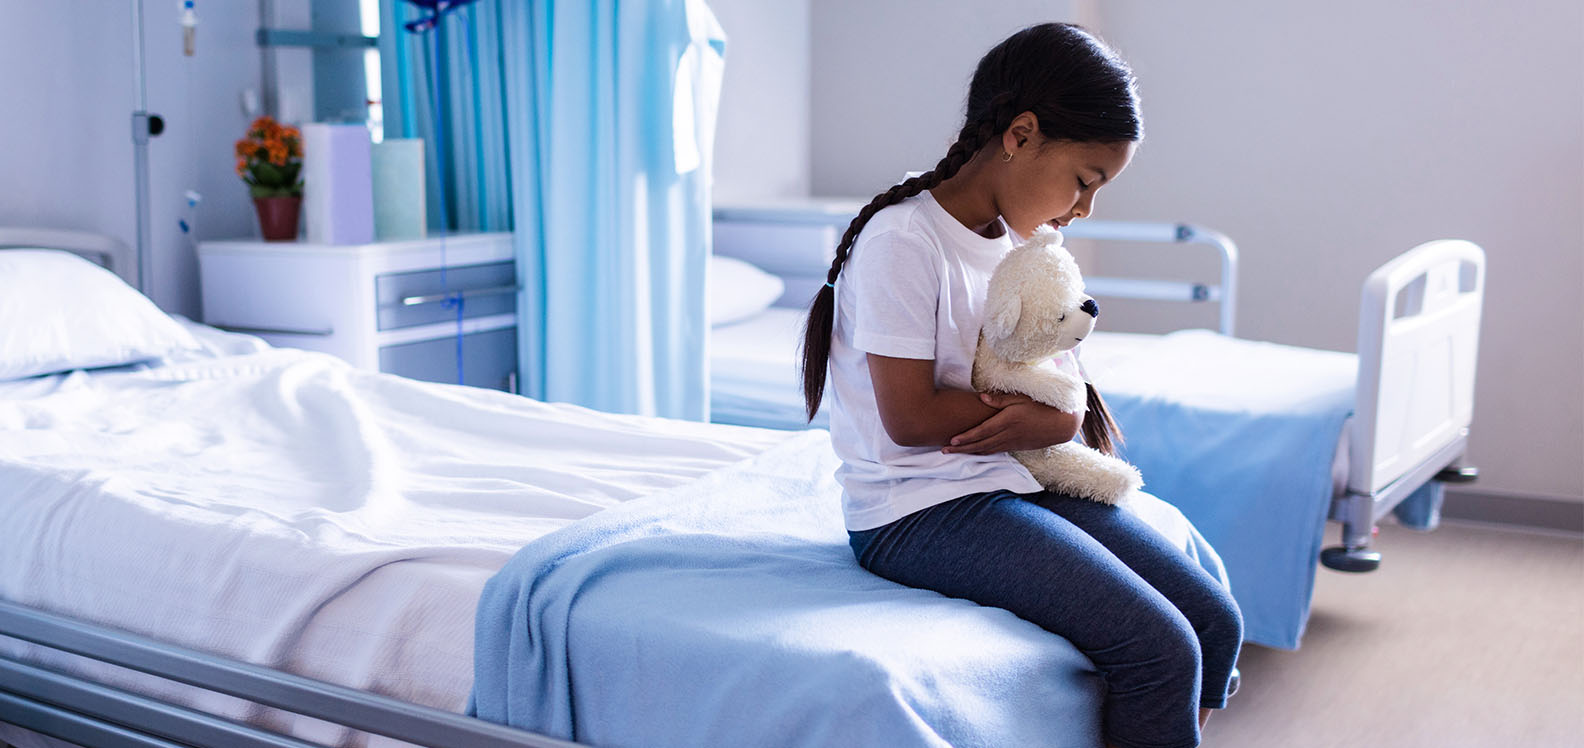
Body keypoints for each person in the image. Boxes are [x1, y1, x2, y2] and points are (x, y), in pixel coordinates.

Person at [799, 22, 1243, 748]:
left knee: (1214, 621)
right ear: (1021, 134)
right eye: (1084, 181)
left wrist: (1054, 424)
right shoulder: (904, 241)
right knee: (1162, 649)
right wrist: (1039, 421)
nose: (1083, 209)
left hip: (1005, 484)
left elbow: (1058, 386)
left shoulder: (1017, 243)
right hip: (914, 512)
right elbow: (909, 419)